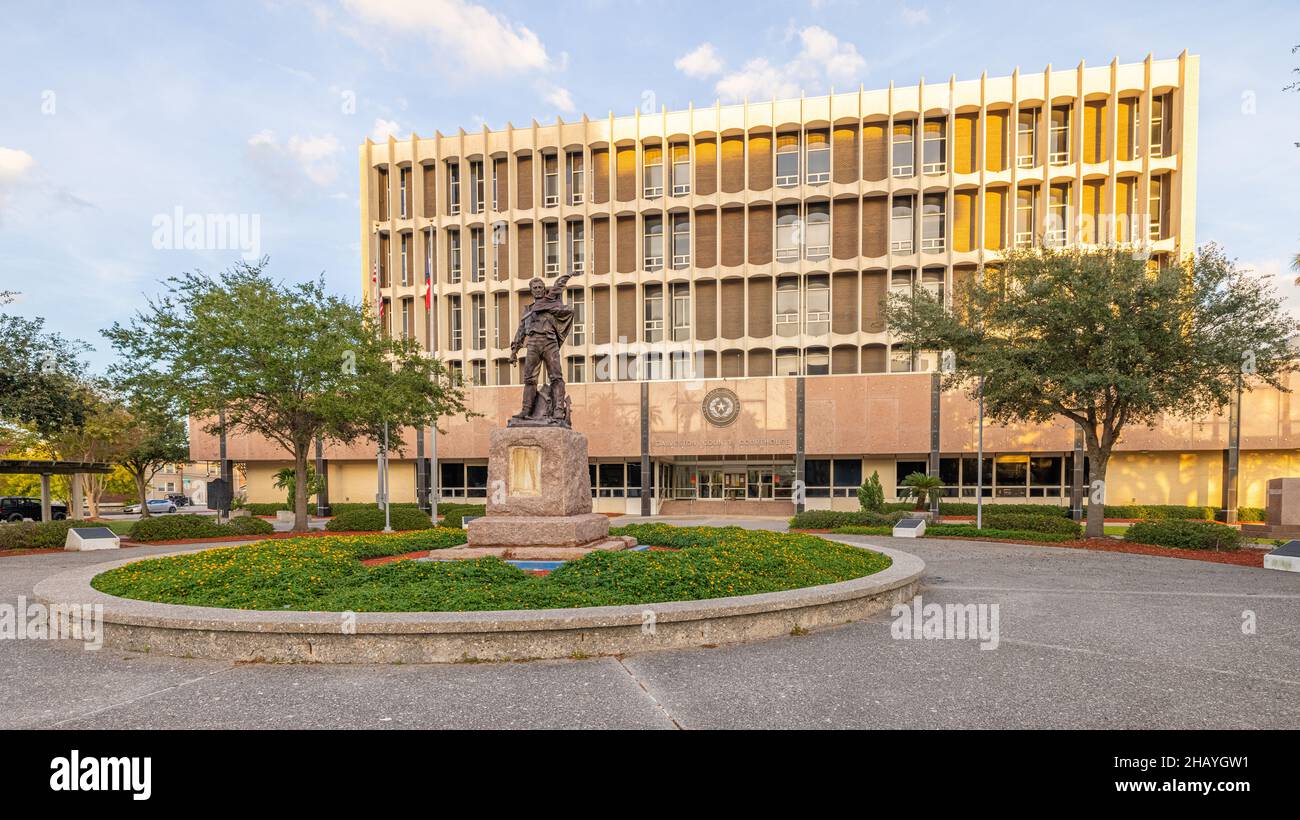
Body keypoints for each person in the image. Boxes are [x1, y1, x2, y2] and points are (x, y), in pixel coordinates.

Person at [509, 274, 573, 425]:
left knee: (556, 376)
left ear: (544, 289)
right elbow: (521, 331)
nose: (538, 290)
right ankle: (526, 410)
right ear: (531, 291)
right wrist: (514, 351)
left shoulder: (551, 305)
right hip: (532, 343)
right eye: (535, 288)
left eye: (540, 287)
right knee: (529, 379)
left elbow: (568, 311)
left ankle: (558, 409)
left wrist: (549, 307)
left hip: (549, 342)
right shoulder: (528, 310)